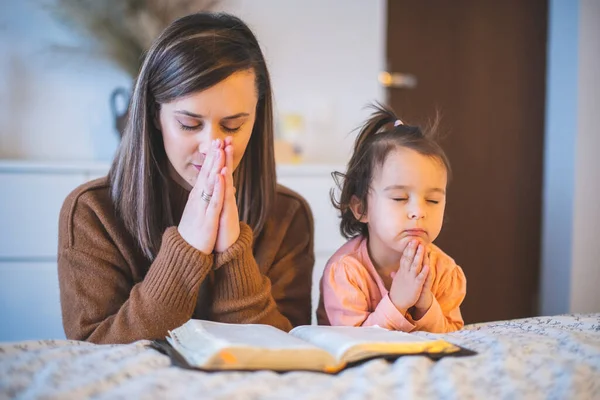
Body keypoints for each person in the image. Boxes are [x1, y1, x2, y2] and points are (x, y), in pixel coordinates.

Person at [58, 12, 315, 344]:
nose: (211, 147)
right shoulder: (92, 212)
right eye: (189, 124)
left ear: (257, 118)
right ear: (154, 114)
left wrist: (234, 255)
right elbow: (92, 353)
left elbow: (289, 350)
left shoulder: (288, 216)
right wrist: (188, 249)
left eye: (234, 126)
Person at [317, 104, 466, 333]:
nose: (418, 211)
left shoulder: (444, 271)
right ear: (361, 208)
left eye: (433, 200)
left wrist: (425, 305)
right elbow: (350, 343)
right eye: (399, 198)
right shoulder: (346, 272)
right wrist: (398, 302)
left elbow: (455, 337)